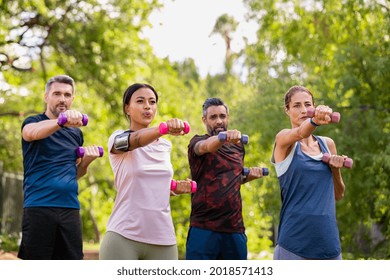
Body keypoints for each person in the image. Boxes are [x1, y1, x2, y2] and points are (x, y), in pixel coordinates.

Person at [99, 83, 193, 260]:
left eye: (152, 102)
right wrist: (162, 129)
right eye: (140, 101)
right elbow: (137, 140)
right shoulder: (118, 139)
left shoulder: (165, 145)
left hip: (163, 238)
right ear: (127, 108)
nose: (147, 106)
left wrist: (174, 188)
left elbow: (150, 184)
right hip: (123, 236)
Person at [18, 75, 102, 260]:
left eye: (67, 94)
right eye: (57, 93)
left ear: (72, 99)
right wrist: (60, 122)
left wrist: (87, 160)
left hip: (70, 209)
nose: (62, 99)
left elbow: (76, 173)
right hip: (39, 206)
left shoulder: (76, 133)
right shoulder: (33, 122)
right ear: (46, 97)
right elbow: (30, 134)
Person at [271, 85, 346, 260]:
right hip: (294, 246)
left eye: (308, 104)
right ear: (287, 110)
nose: (304, 110)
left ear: (314, 106)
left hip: (329, 245)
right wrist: (315, 122)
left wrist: (335, 170)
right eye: (297, 105)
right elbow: (300, 132)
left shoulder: (328, 144)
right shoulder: (283, 140)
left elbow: (339, 194)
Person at [186, 97, 267, 260]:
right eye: (213, 117)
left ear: (228, 118)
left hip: (234, 228)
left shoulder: (238, 146)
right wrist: (222, 137)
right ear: (204, 120)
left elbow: (230, 179)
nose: (219, 121)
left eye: (222, 116)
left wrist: (248, 176)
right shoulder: (197, 142)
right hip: (203, 228)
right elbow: (207, 146)